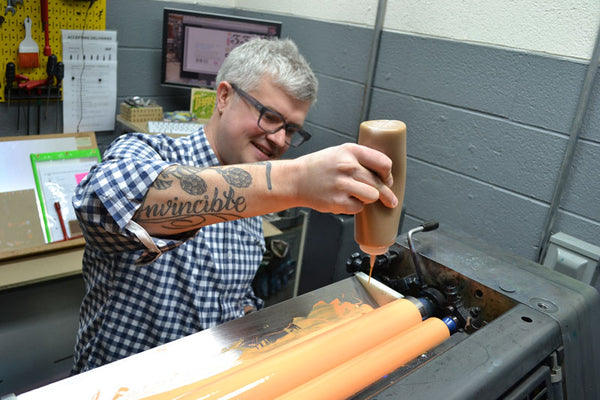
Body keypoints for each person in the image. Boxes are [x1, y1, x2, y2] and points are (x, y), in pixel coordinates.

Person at [71, 38, 398, 374]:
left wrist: (249, 310)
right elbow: (100, 200)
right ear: (224, 97)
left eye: (292, 130)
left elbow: (226, 297)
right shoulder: (149, 152)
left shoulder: (256, 198)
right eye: (270, 117)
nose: (280, 140)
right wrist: (295, 182)